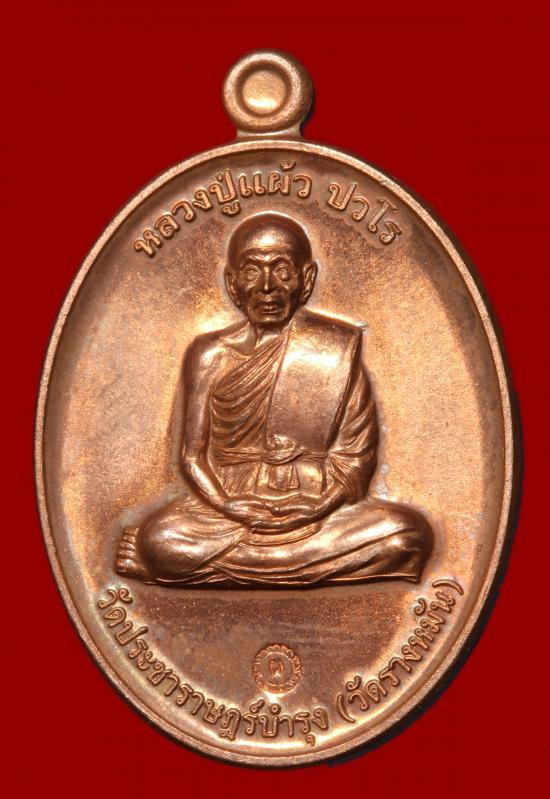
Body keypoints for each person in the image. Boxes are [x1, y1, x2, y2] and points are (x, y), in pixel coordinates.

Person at [116, 212, 432, 586]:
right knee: (162, 541)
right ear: (233, 284)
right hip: (225, 508)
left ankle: (206, 572)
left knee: (407, 535)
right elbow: (191, 456)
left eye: (282, 271)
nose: (267, 287)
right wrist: (229, 506)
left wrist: (318, 506)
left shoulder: (334, 351)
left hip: (313, 503)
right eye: (252, 271)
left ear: (306, 280)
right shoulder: (209, 354)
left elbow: (355, 459)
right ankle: (300, 569)